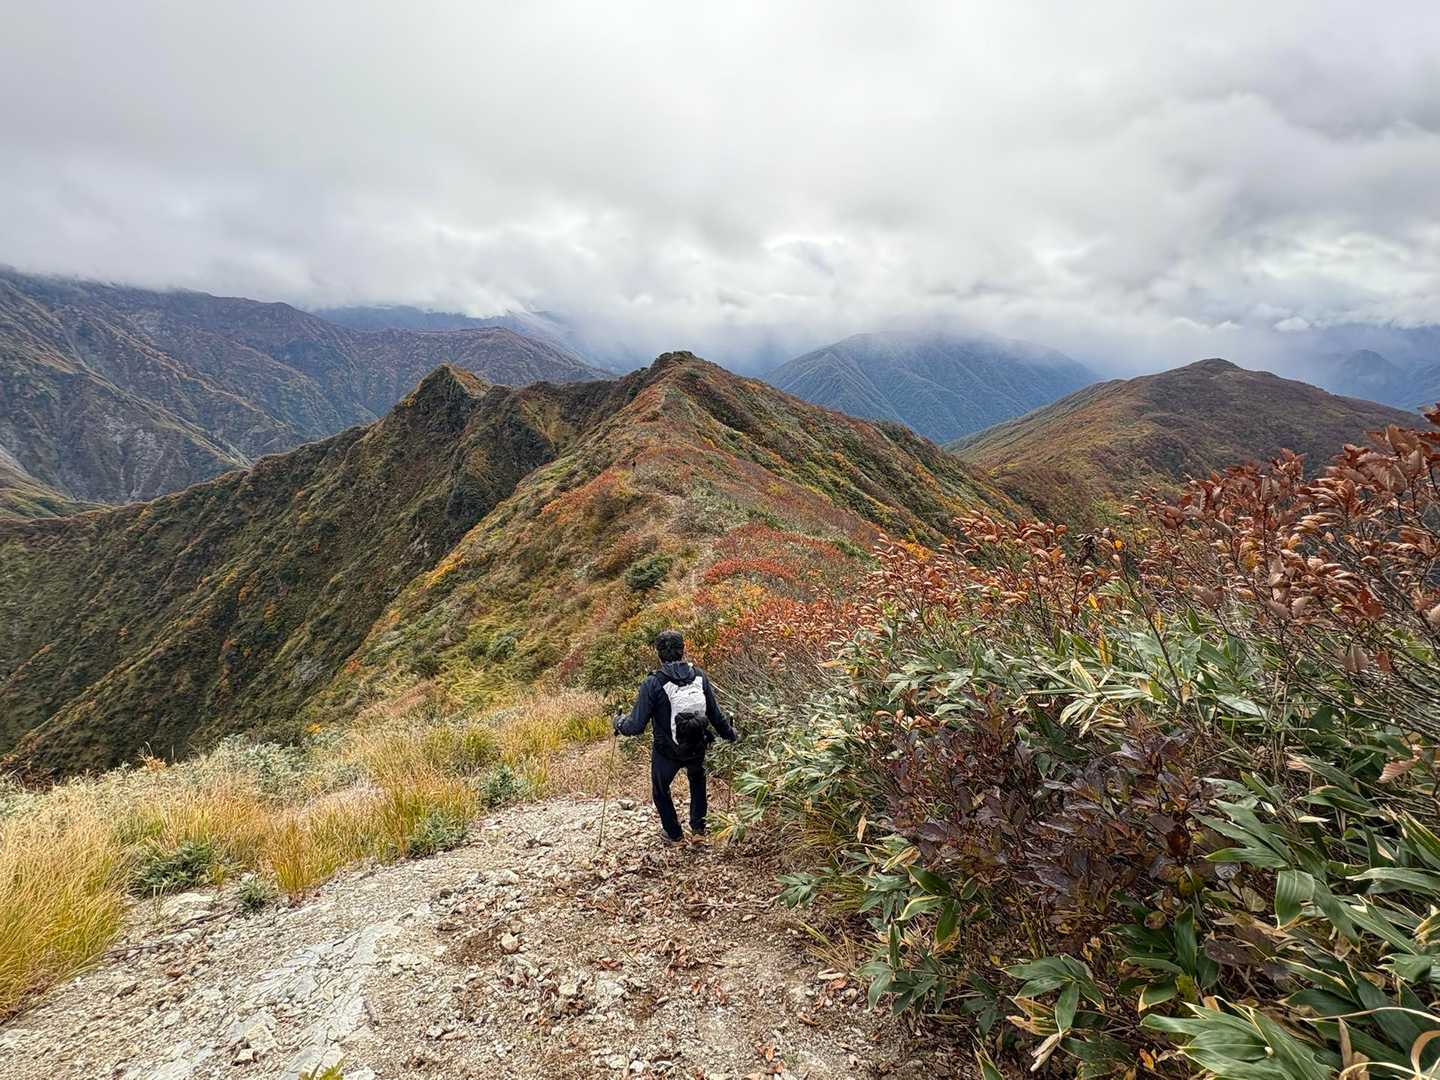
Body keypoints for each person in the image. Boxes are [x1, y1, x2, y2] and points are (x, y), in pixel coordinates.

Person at [614, 629, 737, 844]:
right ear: (683, 650)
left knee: (660, 790)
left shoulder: (653, 683)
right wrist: (731, 734)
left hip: (667, 751)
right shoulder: (699, 676)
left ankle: (674, 834)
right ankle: (698, 830)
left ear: (658, 653)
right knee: (697, 782)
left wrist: (618, 722)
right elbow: (715, 715)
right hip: (696, 745)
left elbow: (636, 725)